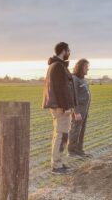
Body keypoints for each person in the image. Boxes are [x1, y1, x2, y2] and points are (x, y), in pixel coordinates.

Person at [42, 42, 82, 175]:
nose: (69, 53)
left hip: (60, 106)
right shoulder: (58, 66)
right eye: (68, 50)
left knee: (60, 134)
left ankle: (58, 162)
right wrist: (66, 107)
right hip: (60, 107)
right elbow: (62, 89)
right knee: (61, 134)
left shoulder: (56, 65)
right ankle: (56, 166)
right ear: (64, 50)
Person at [67, 59, 92, 158]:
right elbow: (73, 96)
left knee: (82, 130)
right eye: (86, 67)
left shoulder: (83, 80)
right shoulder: (74, 79)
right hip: (78, 111)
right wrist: (76, 112)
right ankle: (72, 152)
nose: (88, 69)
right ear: (80, 67)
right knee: (75, 130)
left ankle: (80, 150)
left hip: (84, 110)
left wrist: (86, 111)